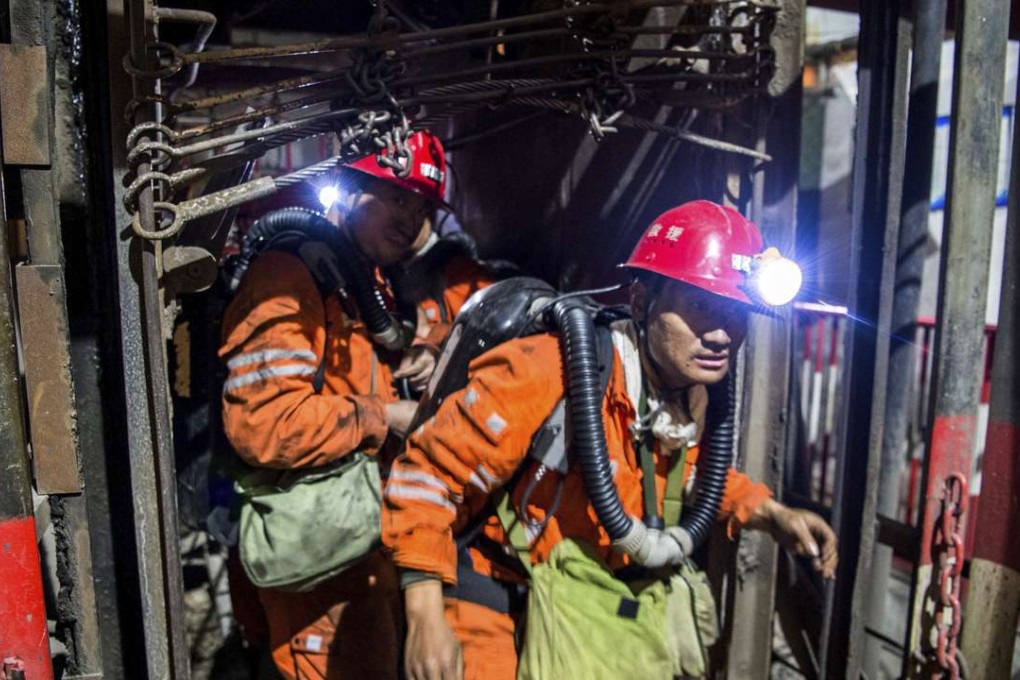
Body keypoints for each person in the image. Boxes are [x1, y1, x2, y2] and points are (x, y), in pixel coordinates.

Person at [382, 200, 839, 680]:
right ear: (642, 303)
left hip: (588, 607)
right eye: (701, 307)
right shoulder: (552, 368)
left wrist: (771, 513)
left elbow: (686, 475)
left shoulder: (683, 397)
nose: (723, 334)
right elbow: (427, 474)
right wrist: (424, 614)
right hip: (500, 602)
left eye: (735, 311)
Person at [219, 130, 491, 679]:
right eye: (394, 196)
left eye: (420, 205)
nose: (409, 217)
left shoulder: (364, 280)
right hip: (317, 568)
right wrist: (384, 416)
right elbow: (264, 424)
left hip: (362, 542)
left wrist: (410, 362)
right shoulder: (288, 274)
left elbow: (351, 369)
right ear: (350, 186)